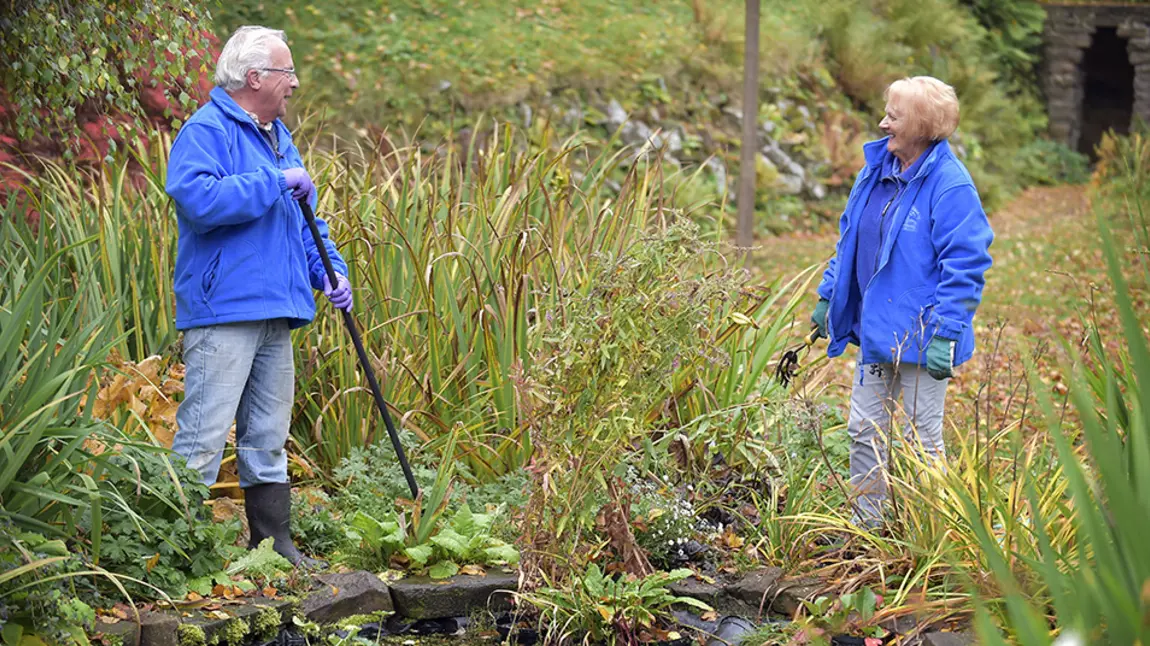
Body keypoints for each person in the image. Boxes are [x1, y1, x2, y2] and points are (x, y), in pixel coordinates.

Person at [165, 25, 353, 568]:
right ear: (255, 77)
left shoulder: (276, 135)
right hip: (225, 309)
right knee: (202, 438)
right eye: (287, 71)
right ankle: (175, 556)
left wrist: (329, 272)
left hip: (278, 308)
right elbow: (197, 200)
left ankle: (273, 547)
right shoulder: (206, 131)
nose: (294, 83)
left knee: (268, 436)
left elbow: (302, 221)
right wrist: (274, 180)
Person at [809, 76, 994, 528]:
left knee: (920, 439)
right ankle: (868, 529)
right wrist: (828, 296)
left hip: (922, 335)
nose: (882, 122)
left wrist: (946, 332)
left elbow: (967, 263)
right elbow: (848, 239)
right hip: (877, 333)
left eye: (894, 115)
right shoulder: (874, 171)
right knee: (863, 431)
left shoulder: (950, 186)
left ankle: (927, 534)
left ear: (923, 125)